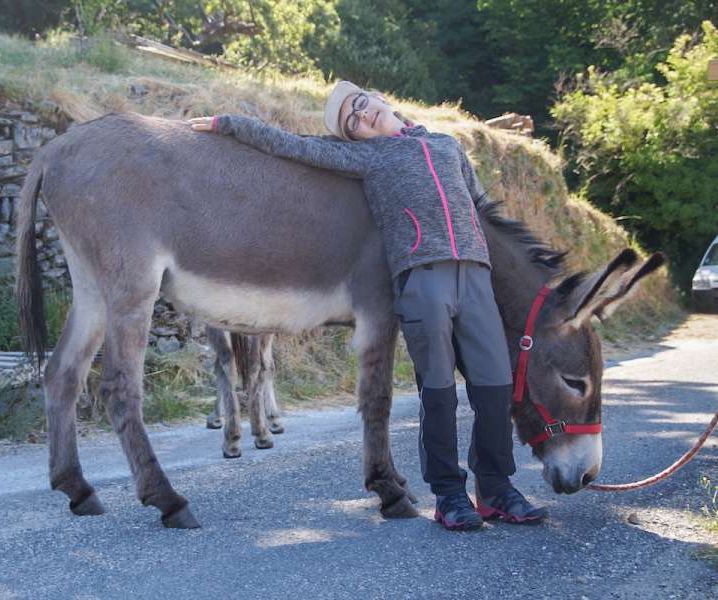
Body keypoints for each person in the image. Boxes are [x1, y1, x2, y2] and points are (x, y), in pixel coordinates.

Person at [188, 81, 547, 531]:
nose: (363, 117)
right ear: (352, 139)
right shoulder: (365, 157)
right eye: (352, 123)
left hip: (475, 275)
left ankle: (496, 490)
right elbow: (291, 146)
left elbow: (480, 208)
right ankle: (450, 495)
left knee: (494, 387)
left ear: (381, 100)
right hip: (421, 278)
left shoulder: (446, 145)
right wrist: (230, 124)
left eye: (362, 105)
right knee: (438, 393)